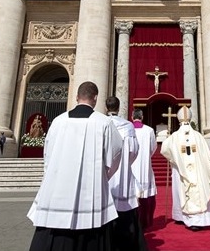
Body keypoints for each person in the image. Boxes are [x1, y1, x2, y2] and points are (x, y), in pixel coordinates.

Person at [27, 81, 123, 251]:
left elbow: (47, 155)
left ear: (77, 97)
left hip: (56, 190)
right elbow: (115, 156)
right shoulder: (104, 123)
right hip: (90, 193)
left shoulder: (57, 121)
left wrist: (52, 175)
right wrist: (103, 176)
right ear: (95, 98)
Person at [160, 106, 210, 231]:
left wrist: (174, 159)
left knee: (181, 190)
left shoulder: (174, 137)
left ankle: (182, 217)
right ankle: (202, 219)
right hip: (197, 171)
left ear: (179, 119)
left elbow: (164, 149)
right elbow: (206, 155)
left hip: (181, 171)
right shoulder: (198, 136)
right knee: (199, 190)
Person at [105, 96, 147, 251]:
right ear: (119, 107)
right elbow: (134, 151)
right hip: (123, 175)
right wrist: (125, 163)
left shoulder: (101, 123)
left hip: (105, 175)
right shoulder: (128, 127)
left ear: (105, 107)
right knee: (125, 213)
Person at [130, 109, 158, 230]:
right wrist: (146, 157)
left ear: (132, 117)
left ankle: (132, 221)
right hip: (145, 167)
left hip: (130, 166)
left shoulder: (127, 129)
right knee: (146, 196)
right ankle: (145, 221)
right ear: (142, 117)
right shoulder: (149, 130)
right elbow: (153, 148)